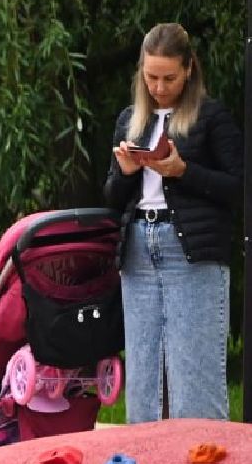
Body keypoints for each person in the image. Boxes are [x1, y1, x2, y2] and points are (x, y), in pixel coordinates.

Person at [104, 22, 243, 423]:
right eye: (151, 77)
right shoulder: (131, 119)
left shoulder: (211, 117)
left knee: (195, 377)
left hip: (192, 251)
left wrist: (184, 171)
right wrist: (127, 171)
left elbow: (238, 188)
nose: (159, 87)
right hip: (138, 250)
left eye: (168, 77)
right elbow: (112, 197)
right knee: (144, 377)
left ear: (188, 70)